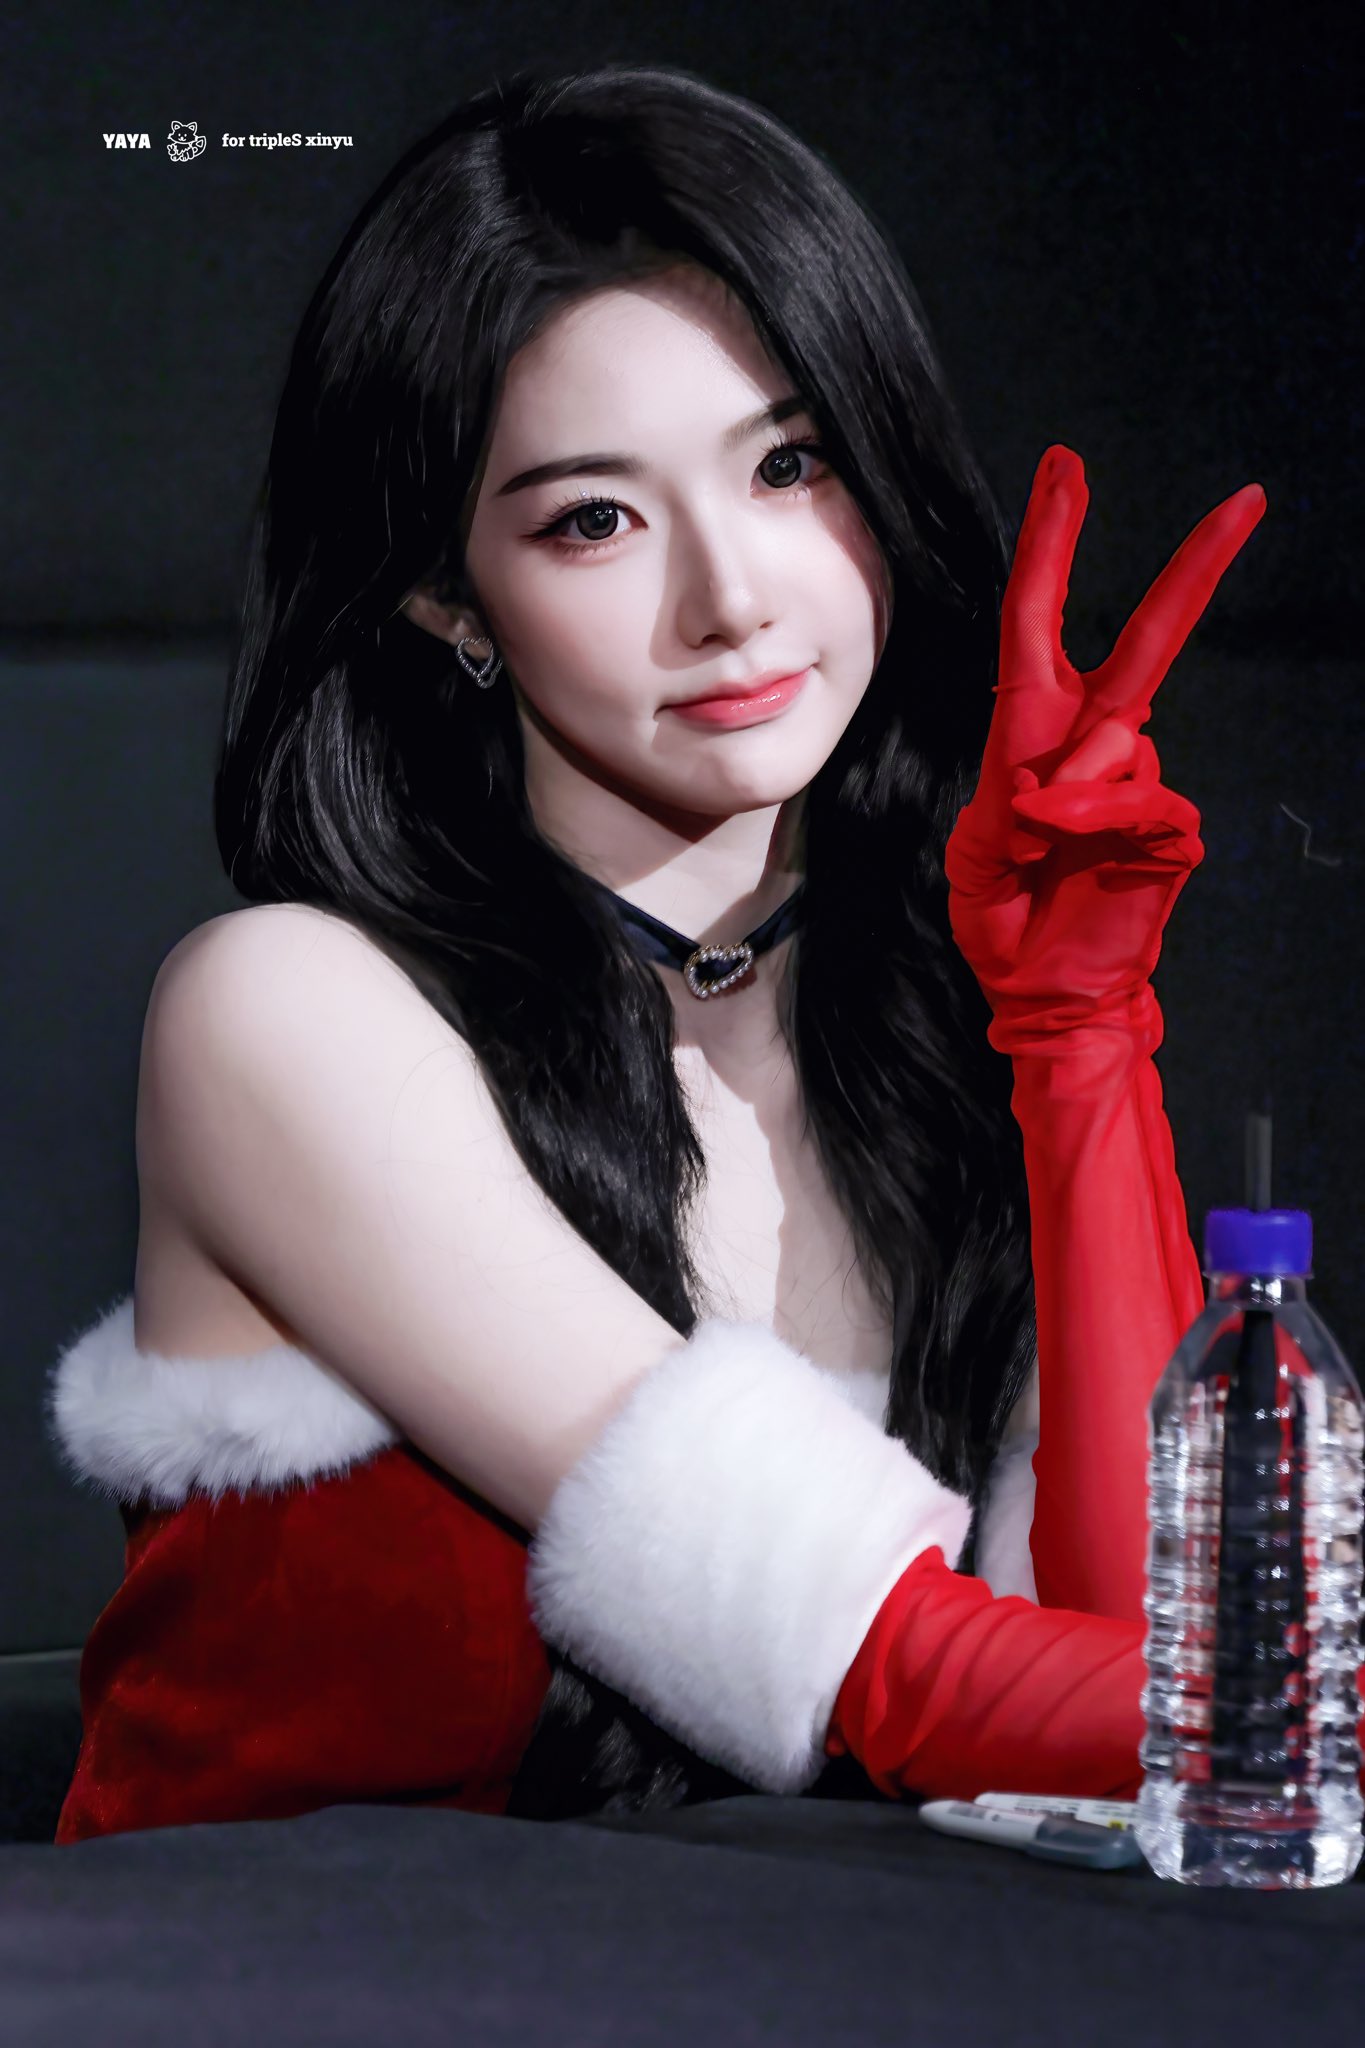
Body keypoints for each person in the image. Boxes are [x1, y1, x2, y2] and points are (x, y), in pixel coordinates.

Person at [45, 60, 1266, 1841]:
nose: (732, 599)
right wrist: (1288, 1702)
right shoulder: (284, 1012)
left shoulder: (930, 1024)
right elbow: (913, 1679)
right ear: (446, 595)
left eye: (787, 465)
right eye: (592, 520)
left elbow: (1129, 1677)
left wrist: (1080, 1035)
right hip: (292, 1975)